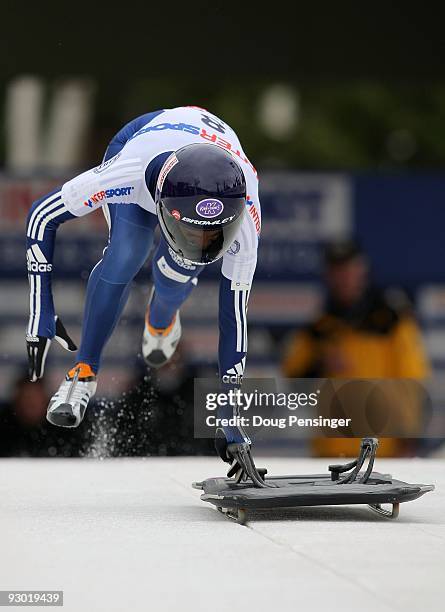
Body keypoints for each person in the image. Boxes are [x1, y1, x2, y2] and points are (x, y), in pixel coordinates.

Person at [25, 106, 260, 470]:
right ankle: (83, 372)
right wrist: (41, 309)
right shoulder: (127, 171)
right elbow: (42, 215)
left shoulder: (245, 213)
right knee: (127, 254)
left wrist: (231, 410)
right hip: (140, 145)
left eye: (215, 234)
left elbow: (234, 316)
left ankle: (162, 318)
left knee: (176, 271)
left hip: (188, 174)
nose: (204, 243)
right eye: (193, 232)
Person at [282, 239, 431, 457]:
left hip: (382, 453)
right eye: (336, 270)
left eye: (349, 269)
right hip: (330, 455)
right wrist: (320, 366)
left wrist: (408, 438)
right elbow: (293, 381)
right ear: (328, 275)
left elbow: (412, 381)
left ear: (362, 269)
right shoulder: (319, 327)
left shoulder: (391, 321)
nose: (343, 277)